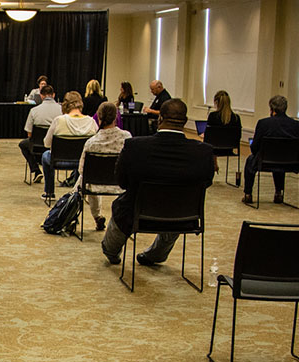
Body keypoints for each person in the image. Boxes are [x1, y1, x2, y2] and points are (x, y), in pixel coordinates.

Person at [101, 98, 214, 266]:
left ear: (160, 119)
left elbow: (122, 182)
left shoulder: (135, 147)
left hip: (137, 214)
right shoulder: (204, 152)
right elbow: (206, 182)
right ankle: (157, 254)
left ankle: (111, 251)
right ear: (184, 122)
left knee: (123, 205)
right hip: (183, 216)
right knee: (175, 204)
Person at [71, 102, 131, 231]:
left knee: (84, 180)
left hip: (95, 183)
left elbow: (82, 169)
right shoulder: (127, 138)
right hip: (121, 184)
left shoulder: (91, 143)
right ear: (116, 117)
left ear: (98, 117)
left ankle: (94, 216)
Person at [241, 94, 299, 205]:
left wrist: (256, 153)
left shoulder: (264, 123)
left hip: (265, 162)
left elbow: (255, 147)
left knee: (251, 160)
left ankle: (248, 194)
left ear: (272, 109)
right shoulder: (297, 125)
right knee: (279, 158)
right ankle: (278, 192)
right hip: (290, 163)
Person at [41, 91, 99, 201]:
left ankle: (49, 192)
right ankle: (80, 191)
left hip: (59, 161)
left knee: (45, 155)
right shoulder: (91, 122)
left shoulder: (58, 121)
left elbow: (47, 143)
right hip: (82, 163)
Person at [18, 84, 60, 183]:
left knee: (23, 145)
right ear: (53, 95)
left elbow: (29, 134)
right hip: (56, 146)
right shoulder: (62, 110)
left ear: (41, 96)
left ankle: (36, 170)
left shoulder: (34, 111)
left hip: (37, 145)